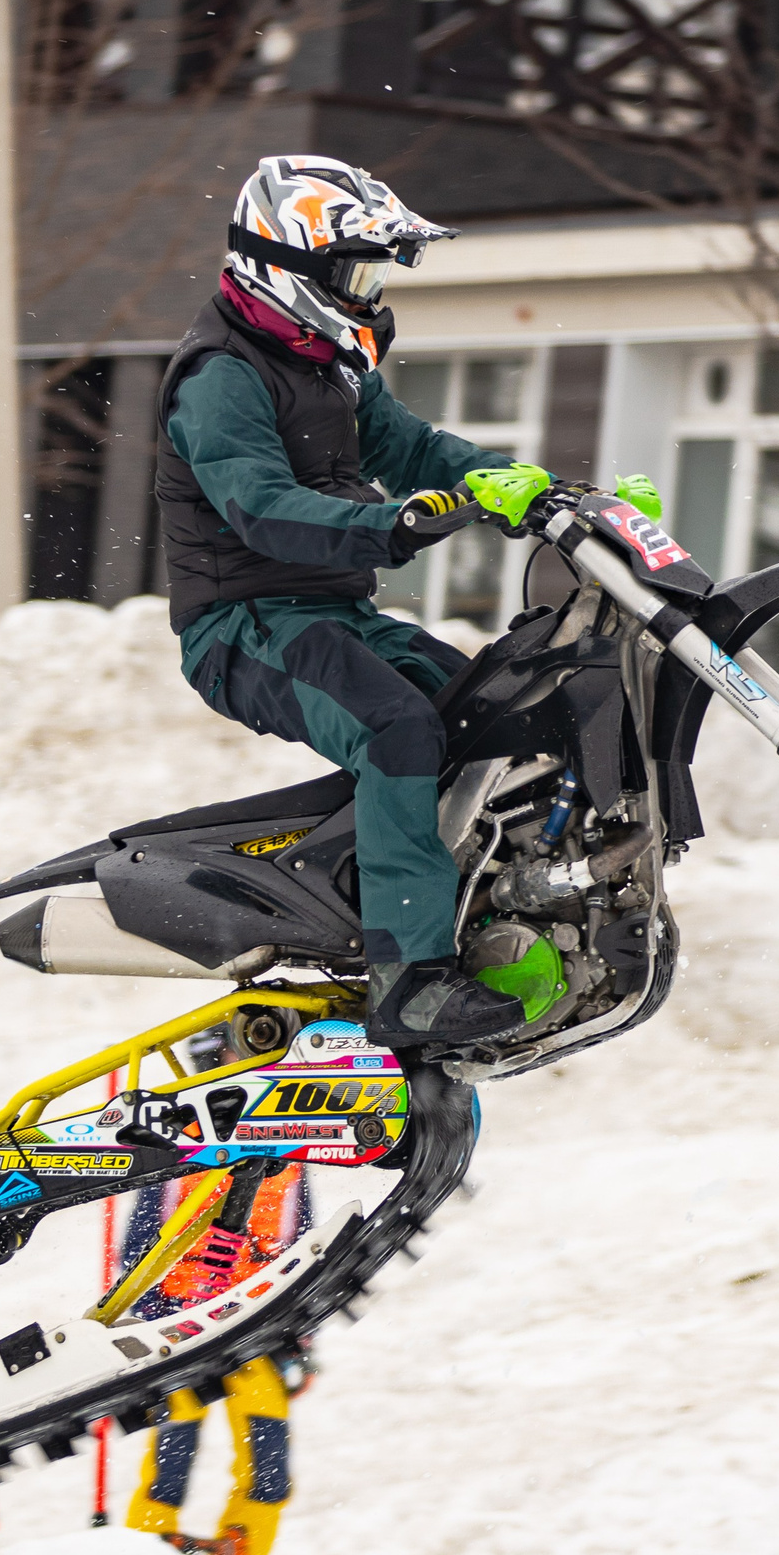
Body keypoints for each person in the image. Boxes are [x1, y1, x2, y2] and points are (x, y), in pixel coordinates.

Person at [155, 152, 525, 1049]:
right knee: (395, 727)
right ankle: (411, 979)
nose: (368, 295)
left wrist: (532, 487)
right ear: (285, 268)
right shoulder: (220, 376)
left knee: (492, 703)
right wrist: (393, 525)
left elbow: (417, 447)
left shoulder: (329, 363)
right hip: (242, 626)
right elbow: (261, 507)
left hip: (331, 613)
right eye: (354, 276)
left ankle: (490, 910)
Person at [122, 1163, 313, 1555]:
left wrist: (301, 1342)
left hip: (258, 1327)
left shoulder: (291, 1161)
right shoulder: (183, 1155)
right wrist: (150, 1326)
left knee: (268, 1466)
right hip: (179, 1328)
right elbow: (140, 1242)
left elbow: (306, 1242)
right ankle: (144, 1553)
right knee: (172, 1457)